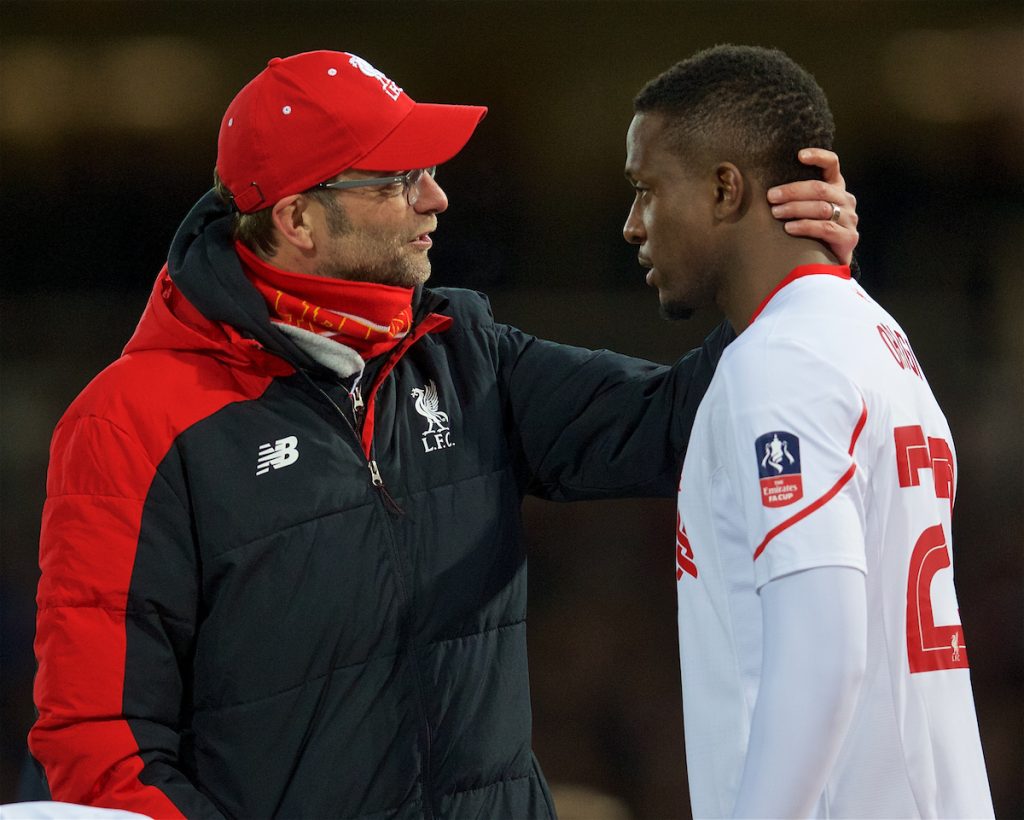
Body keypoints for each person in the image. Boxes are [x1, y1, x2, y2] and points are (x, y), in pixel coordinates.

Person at [30, 50, 858, 819]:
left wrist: (794, 276)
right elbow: (101, 751)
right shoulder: (131, 425)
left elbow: (682, 425)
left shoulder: (462, 353)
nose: (437, 198)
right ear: (297, 218)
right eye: (399, 180)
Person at [623, 45, 994, 818]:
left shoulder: (780, 363)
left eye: (647, 190)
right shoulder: (878, 338)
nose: (633, 225)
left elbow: (825, 656)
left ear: (726, 189)